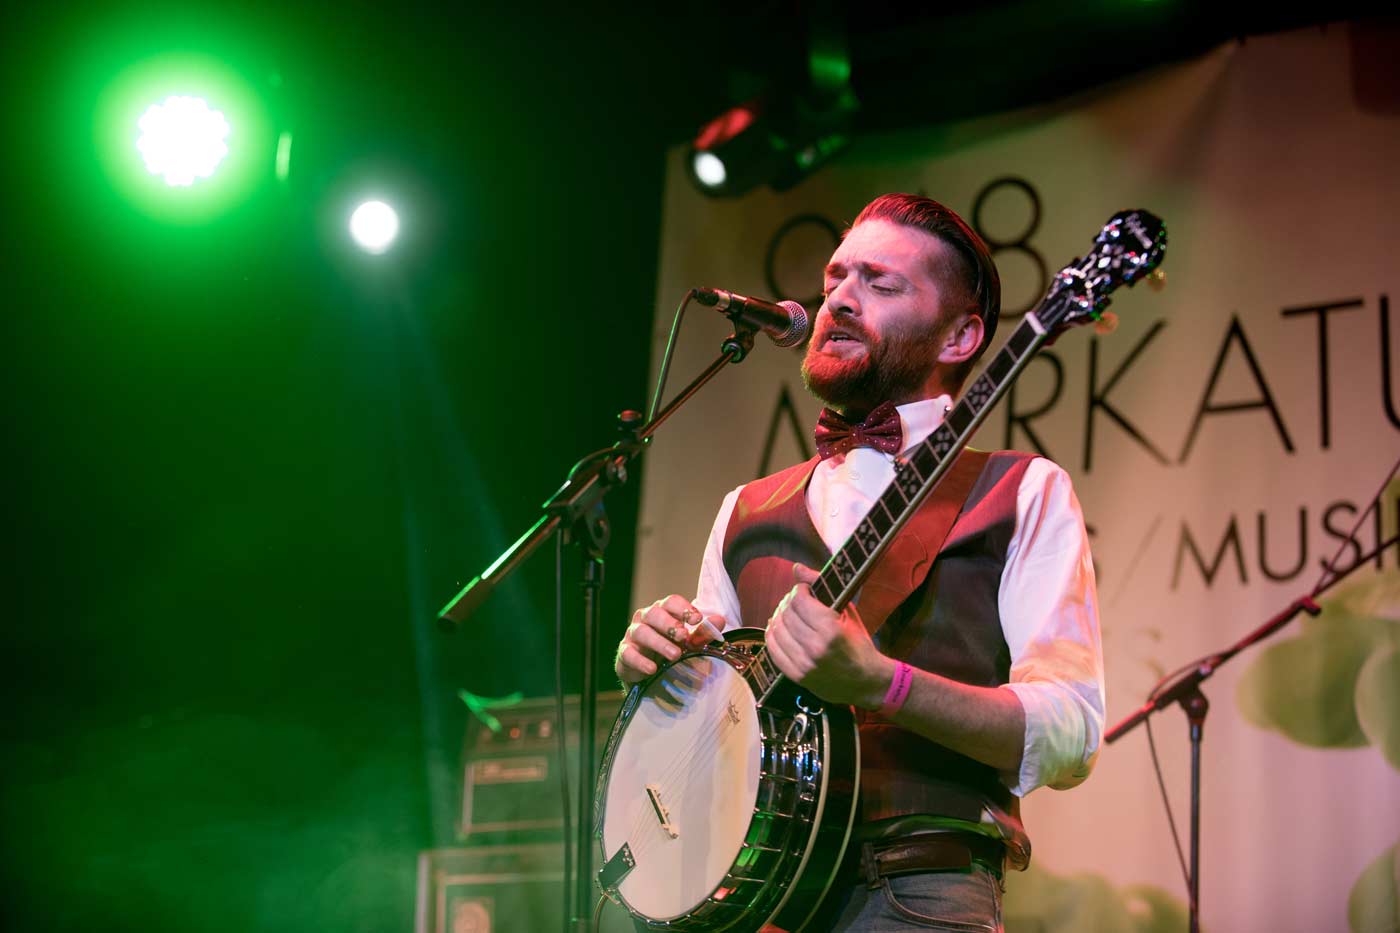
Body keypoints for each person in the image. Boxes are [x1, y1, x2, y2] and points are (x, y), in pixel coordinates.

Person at [615, 193, 1104, 932]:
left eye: (881, 284)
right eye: (835, 278)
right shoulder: (746, 509)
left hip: (915, 890)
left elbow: (1071, 734)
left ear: (961, 336)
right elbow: (716, 721)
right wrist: (659, 667)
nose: (839, 299)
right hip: (752, 904)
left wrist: (883, 683)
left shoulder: (1022, 489)